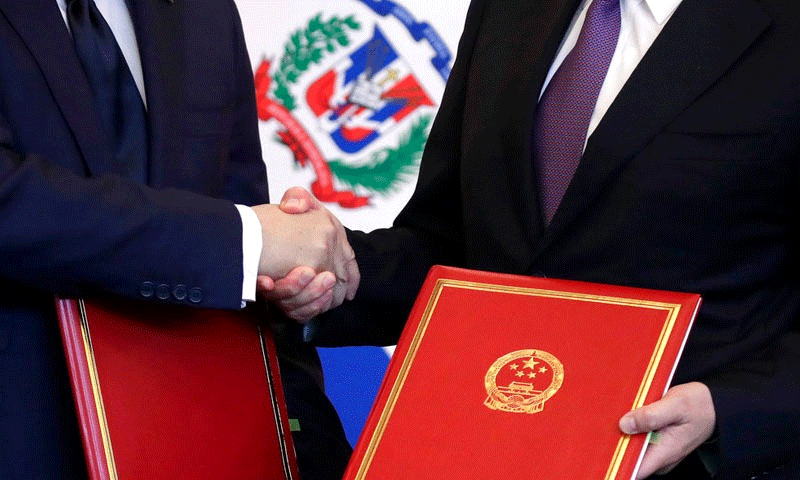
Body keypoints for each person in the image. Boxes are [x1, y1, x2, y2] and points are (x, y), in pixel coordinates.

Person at [267, 0, 800, 478]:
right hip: (479, 447)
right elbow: (451, 247)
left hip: (681, 462)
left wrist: (727, 408)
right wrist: (324, 269)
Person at [0, 0, 356, 478]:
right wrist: (243, 242)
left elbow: (250, 285)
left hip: (195, 444)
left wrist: (306, 447)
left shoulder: (203, 12)